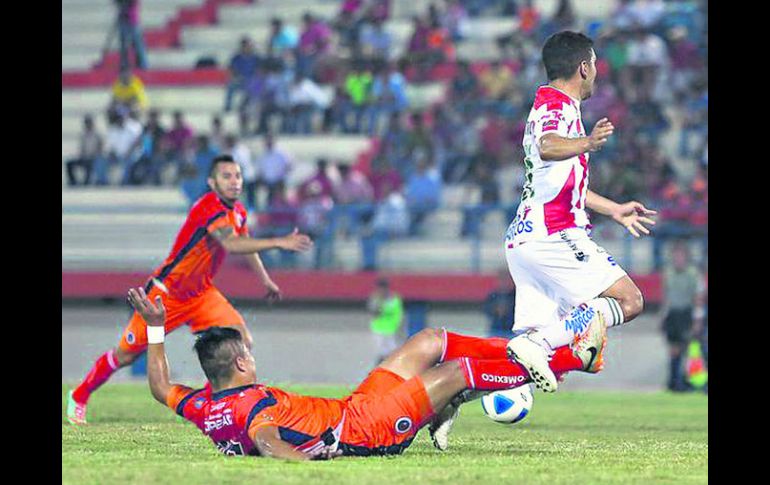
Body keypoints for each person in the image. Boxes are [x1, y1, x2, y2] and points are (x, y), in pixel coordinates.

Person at [124, 279, 607, 459]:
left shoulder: (203, 406)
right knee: (457, 370)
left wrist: (155, 329)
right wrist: (303, 460)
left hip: (356, 406)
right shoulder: (254, 405)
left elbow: (159, 387)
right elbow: (266, 439)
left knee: (428, 341)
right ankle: (570, 358)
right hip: (369, 429)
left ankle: (516, 360)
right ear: (242, 361)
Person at [66, 155, 314, 425]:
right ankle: (78, 396)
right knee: (124, 355)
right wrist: (278, 241)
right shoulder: (209, 207)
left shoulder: (239, 212)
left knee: (241, 341)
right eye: (226, 176)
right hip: (166, 294)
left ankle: (209, 405)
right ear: (212, 182)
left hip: (201, 294)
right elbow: (231, 245)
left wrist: (265, 280)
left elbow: (245, 243)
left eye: (238, 176)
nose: (234, 182)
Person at [501, 31, 657, 394]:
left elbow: (567, 185)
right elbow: (547, 146)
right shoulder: (555, 104)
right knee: (628, 300)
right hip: (553, 234)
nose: (598, 73)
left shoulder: (556, 106)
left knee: (531, 360)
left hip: (528, 236)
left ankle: (455, 391)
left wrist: (613, 208)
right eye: (596, 65)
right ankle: (538, 344)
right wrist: (587, 142)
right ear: (584, 68)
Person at [661, 242, 704, 392]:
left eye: (680, 256)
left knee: (690, 349)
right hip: (673, 314)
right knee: (674, 349)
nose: (678, 259)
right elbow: (666, 296)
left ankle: (690, 382)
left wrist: (697, 319)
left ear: (686, 257)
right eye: (675, 256)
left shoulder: (693, 274)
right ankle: (673, 382)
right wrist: (663, 316)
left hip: (687, 313)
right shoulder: (668, 273)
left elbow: (698, 297)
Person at [367, 278, 404, 365]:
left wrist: (399, 326)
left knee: (393, 352)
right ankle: (378, 370)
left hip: (392, 329)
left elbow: (399, 313)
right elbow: (374, 312)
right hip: (379, 329)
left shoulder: (394, 298)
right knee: (382, 352)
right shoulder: (375, 299)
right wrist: (379, 302)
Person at [224, 36, 261, 112]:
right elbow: (231, 70)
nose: (249, 47)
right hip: (240, 80)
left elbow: (260, 70)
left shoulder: (256, 57)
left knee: (257, 85)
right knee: (231, 86)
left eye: (250, 45)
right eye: (247, 45)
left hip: (252, 79)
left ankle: (254, 107)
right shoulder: (236, 58)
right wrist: (235, 77)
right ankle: (228, 106)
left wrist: (255, 77)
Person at [65, 114, 104, 186]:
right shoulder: (83, 135)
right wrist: (80, 155)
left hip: (93, 158)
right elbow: (81, 148)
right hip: (84, 157)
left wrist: (92, 155)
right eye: (86, 123)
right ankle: (73, 181)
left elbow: (100, 150)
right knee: (69, 162)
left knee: (89, 163)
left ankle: (86, 181)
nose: (87, 125)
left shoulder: (97, 135)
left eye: (89, 122)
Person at [483, 270, 516, 338]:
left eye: (506, 279)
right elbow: (486, 311)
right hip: (496, 330)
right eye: (501, 279)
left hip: (512, 331)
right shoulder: (493, 295)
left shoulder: (516, 296)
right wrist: (495, 310)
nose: (504, 282)